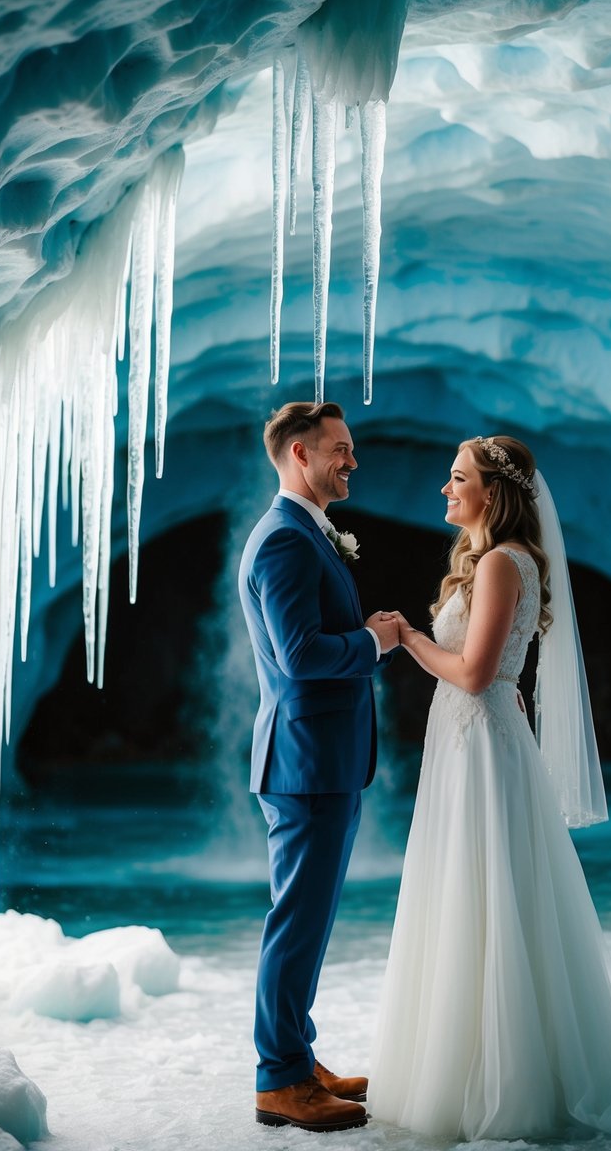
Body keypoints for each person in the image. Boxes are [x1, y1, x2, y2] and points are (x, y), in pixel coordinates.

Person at [368, 434, 611, 1141]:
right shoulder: (485, 564)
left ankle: (504, 1081)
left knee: (488, 898)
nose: (444, 490)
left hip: (482, 745)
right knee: (465, 895)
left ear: (492, 491)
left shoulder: (506, 564)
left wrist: (404, 638)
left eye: (457, 479)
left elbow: (477, 673)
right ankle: (457, 1065)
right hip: (469, 742)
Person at [238, 401, 398, 1133]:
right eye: (340, 449)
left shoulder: (304, 533)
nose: (351, 461)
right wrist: (371, 642)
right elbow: (301, 658)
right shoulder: (283, 541)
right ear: (299, 454)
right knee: (295, 922)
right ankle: (279, 1080)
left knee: (307, 917)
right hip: (304, 763)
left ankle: (297, 1058)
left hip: (321, 759)